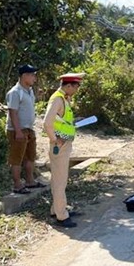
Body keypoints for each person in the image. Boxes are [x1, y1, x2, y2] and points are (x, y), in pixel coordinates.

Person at [43, 72, 86, 228]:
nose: (77, 90)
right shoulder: (57, 100)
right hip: (59, 146)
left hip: (63, 144)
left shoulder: (64, 99)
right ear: (68, 86)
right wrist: (55, 139)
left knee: (59, 179)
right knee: (60, 181)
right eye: (76, 87)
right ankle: (62, 216)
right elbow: (47, 123)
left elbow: (60, 121)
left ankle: (57, 209)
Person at [6, 64, 45, 194]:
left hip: (29, 129)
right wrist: (17, 131)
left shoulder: (29, 91)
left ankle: (30, 181)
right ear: (24, 76)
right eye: (32, 75)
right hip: (18, 130)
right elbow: (13, 112)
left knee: (30, 156)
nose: (35, 78)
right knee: (16, 158)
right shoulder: (15, 93)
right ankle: (17, 185)